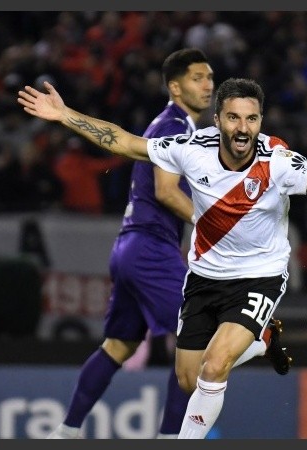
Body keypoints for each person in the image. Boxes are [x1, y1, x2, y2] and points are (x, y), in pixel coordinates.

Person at [18, 76, 307, 439]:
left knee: (215, 365)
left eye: (251, 120)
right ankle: (261, 340)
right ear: (217, 119)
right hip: (203, 279)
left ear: (260, 123)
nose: (243, 128)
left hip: (259, 277)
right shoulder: (189, 148)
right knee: (187, 377)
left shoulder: (277, 162)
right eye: (234, 118)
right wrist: (65, 115)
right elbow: (125, 142)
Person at [41, 49, 291, 440]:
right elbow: (164, 191)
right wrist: (219, 225)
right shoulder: (175, 127)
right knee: (204, 345)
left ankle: (66, 431)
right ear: (175, 87)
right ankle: (173, 434)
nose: (207, 84)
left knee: (119, 345)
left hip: (129, 246)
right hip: (151, 250)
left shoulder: (179, 127)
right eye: (197, 78)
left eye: (210, 77)